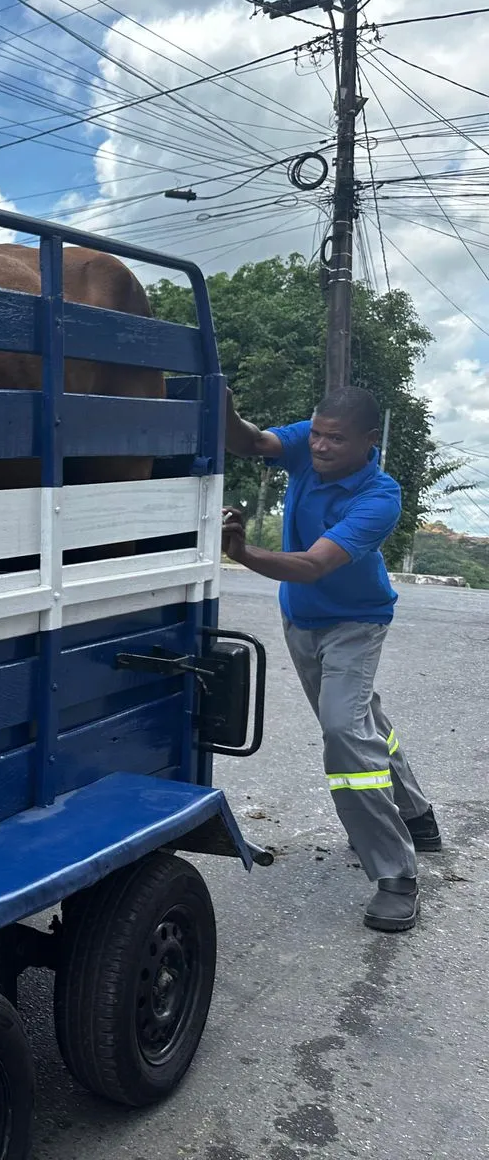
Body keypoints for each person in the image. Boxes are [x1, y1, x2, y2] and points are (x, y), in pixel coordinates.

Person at [221, 384, 438, 932]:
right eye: (315, 432)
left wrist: (243, 552)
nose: (318, 445)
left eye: (334, 439)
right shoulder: (306, 442)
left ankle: (395, 873)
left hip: (355, 623)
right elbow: (251, 441)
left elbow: (316, 564)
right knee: (361, 720)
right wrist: (223, 408)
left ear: (368, 442)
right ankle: (417, 815)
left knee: (344, 731)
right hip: (301, 620)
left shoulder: (379, 496)